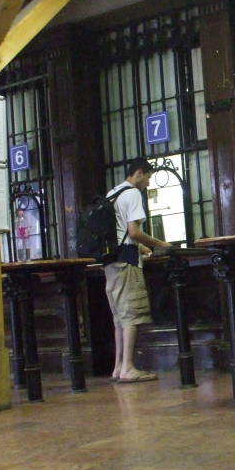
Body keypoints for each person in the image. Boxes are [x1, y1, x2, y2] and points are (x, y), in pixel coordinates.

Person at [105, 157, 171, 383]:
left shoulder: (112, 193)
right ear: (140, 173)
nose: (148, 184)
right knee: (132, 314)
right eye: (149, 178)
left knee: (119, 317)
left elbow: (120, 234)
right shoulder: (132, 193)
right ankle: (128, 368)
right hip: (127, 263)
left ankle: (117, 367)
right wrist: (159, 244)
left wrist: (141, 248)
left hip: (111, 262)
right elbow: (133, 232)